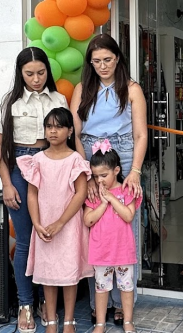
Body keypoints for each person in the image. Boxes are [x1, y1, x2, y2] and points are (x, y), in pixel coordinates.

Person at [70, 34, 147, 325]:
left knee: (126, 224)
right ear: (90, 63)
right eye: (97, 61)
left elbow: (140, 134)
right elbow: (76, 135)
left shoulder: (132, 88)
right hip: (90, 154)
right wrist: (86, 173)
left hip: (124, 154)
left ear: (118, 59)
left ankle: (123, 302)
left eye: (108, 59)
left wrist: (135, 170)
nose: (103, 65)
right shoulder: (82, 89)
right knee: (97, 226)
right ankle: (98, 303)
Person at [0, 47, 68, 332]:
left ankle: (46, 302)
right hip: (20, 168)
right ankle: (26, 304)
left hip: (53, 165)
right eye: (29, 74)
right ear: (20, 73)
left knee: (51, 237)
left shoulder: (58, 99)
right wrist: (7, 184)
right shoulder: (9, 102)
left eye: (41, 73)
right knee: (25, 240)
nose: (36, 79)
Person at [16, 108, 92, 333]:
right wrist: (36, 223)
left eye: (59, 126)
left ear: (70, 131)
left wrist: (60, 222)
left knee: (69, 273)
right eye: (49, 126)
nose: (53, 131)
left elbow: (80, 193)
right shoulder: (37, 160)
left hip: (68, 225)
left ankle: (68, 320)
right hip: (45, 225)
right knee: (47, 274)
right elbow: (32, 194)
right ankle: (51, 320)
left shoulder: (75, 159)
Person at [83, 141, 142, 333]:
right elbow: (88, 220)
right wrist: (102, 203)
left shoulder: (126, 190)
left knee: (126, 287)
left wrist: (111, 199)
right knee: (101, 288)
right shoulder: (94, 194)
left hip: (123, 250)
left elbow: (128, 216)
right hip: (101, 251)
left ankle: (128, 321)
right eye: (95, 176)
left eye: (104, 175)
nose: (99, 180)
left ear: (116, 170)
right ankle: (100, 323)